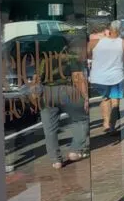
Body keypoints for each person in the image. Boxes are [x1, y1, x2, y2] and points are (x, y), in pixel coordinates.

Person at [31, 34, 89, 169]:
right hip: (67, 91)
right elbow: (77, 77)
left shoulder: (42, 60)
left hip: (46, 93)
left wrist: (35, 97)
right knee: (81, 118)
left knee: (49, 129)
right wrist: (85, 96)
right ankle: (76, 150)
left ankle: (56, 160)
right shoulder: (71, 58)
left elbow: (36, 81)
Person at [88, 20, 124, 134]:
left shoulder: (94, 42)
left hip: (99, 77)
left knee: (105, 99)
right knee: (115, 102)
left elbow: (88, 56)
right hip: (117, 76)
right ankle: (112, 126)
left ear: (108, 30)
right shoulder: (123, 42)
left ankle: (106, 124)